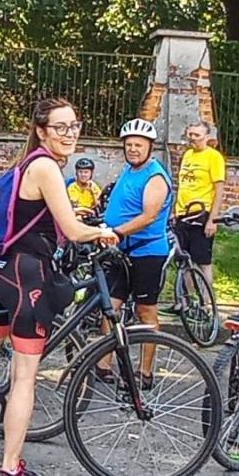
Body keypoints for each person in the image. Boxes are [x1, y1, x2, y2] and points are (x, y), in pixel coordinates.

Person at [0, 98, 120, 476]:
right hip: (28, 277)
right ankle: (10, 470)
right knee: (25, 376)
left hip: (5, 272)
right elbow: (73, 230)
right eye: (60, 127)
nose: (69, 133)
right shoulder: (45, 167)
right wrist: (103, 232)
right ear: (41, 131)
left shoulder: (32, 162)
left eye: (74, 125)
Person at [101, 118, 173, 388]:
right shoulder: (129, 170)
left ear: (149, 147)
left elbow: (148, 216)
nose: (132, 149)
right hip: (121, 251)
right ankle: (103, 365)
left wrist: (117, 232)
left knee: (145, 311)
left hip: (146, 253)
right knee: (110, 307)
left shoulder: (155, 177)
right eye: (129, 144)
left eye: (138, 145)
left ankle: (145, 372)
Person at [174, 121, 226, 294]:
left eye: (197, 135)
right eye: (190, 134)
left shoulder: (214, 157)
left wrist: (213, 219)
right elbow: (181, 186)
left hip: (201, 214)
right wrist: (174, 211)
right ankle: (186, 299)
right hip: (182, 214)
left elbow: (219, 189)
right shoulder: (187, 155)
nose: (193, 138)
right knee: (185, 260)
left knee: (202, 260)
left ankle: (206, 300)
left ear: (206, 137)